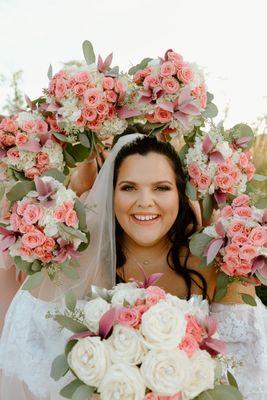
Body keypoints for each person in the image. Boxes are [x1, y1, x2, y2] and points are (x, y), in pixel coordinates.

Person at [0, 134, 266, 399]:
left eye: (161, 187)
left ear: (180, 193)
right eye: (129, 187)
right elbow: (30, 359)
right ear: (110, 194)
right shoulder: (81, 266)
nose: (145, 201)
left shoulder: (215, 266)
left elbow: (249, 371)